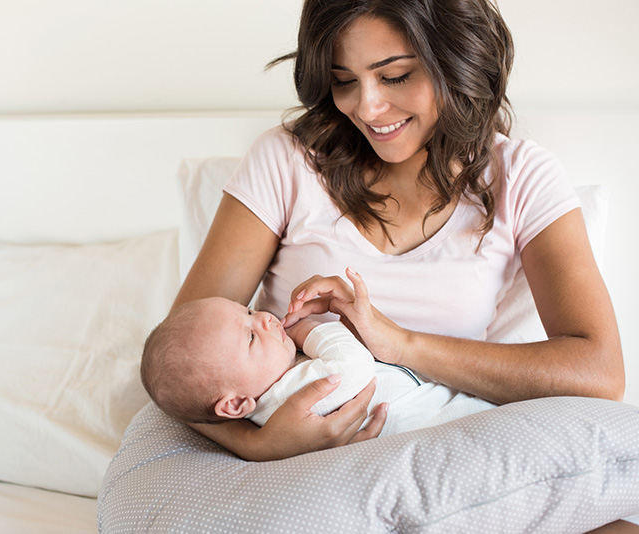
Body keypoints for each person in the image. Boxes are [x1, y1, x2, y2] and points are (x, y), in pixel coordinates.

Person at [171, 0, 624, 466]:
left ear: (457, 60)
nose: (366, 106)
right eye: (343, 80)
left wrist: (398, 342)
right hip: (300, 468)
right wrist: (262, 445)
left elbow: (598, 372)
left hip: (445, 453)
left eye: (395, 76)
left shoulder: (522, 177)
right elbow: (181, 365)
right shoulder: (285, 161)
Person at [142, 270, 495, 435]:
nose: (265, 318)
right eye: (250, 336)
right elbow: (352, 368)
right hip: (444, 419)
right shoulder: (285, 398)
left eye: (248, 311)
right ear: (235, 404)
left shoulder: (275, 383)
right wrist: (308, 331)